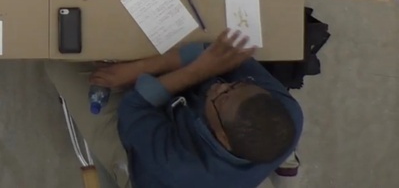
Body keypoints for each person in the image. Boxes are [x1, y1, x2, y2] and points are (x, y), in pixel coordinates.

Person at [46, 29, 302, 188]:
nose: (220, 87)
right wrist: (140, 68)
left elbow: (134, 106)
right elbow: (221, 54)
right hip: (183, 106)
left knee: (57, 54)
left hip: (142, 152)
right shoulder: (288, 112)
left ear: (223, 138)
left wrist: (200, 70)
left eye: (221, 98)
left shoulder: (179, 167)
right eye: (234, 85)